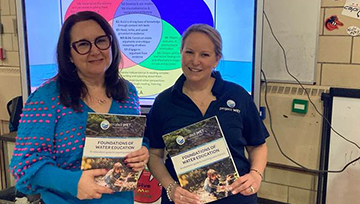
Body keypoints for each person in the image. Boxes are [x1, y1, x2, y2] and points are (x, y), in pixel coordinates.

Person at [9, 11, 149, 204]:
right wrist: (72, 182)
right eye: (83, 44)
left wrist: (143, 151)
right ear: (69, 55)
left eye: (101, 41)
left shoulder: (128, 92)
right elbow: (23, 167)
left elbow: (137, 140)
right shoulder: (46, 98)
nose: (95, 51)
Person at [145, 24, 268, 204]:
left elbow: (257, 145)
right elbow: (154, 154)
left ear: (216, 59)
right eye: (189, 52)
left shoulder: (237, 96)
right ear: (180, 53)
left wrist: (256, 175)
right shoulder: (164, 102)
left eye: (204, 55)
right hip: (183, 200)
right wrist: (171, 187)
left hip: (235, 198)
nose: (195, 61)